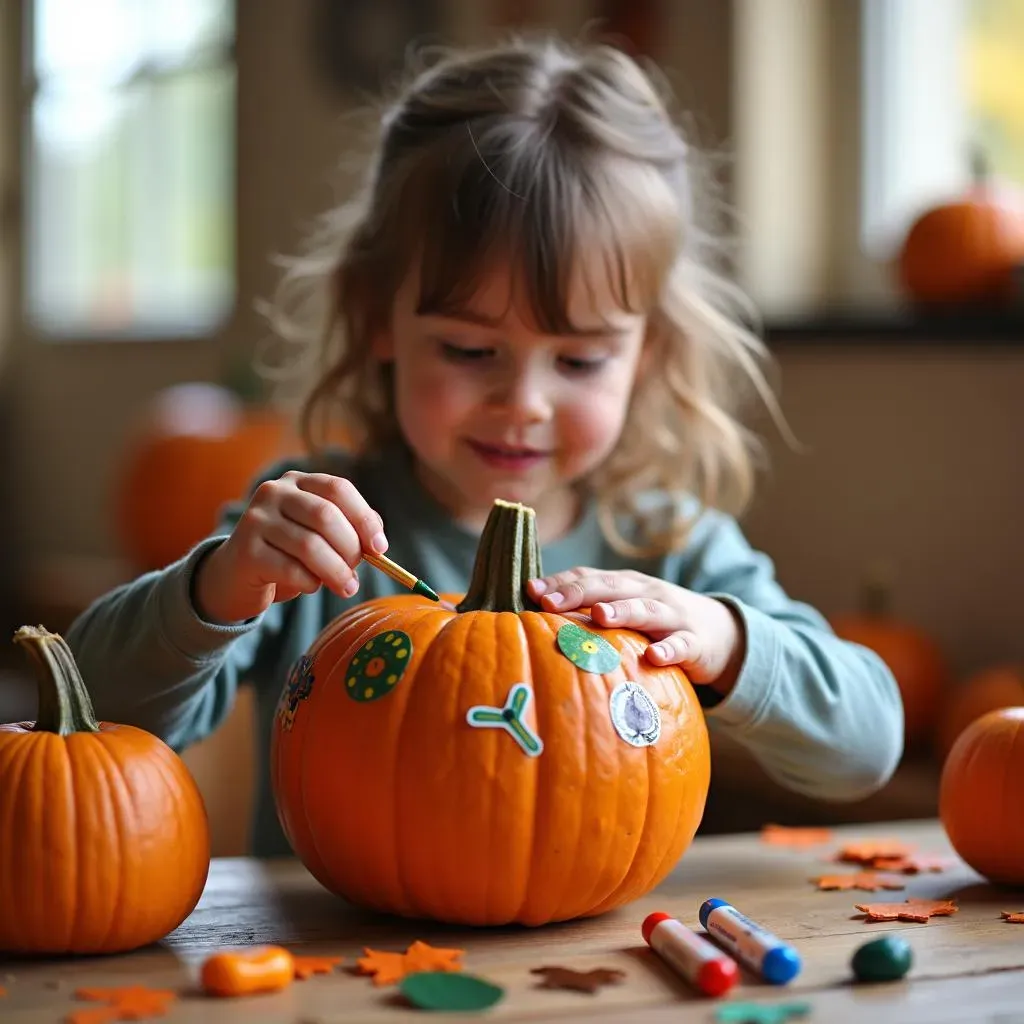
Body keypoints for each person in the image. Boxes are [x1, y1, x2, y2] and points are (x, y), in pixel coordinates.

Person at [67, 34, 903, 858]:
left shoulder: (668, 548)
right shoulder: (314, 539)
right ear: (376, 320)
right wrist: (218, 587)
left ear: (646, 354)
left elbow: (867, 748)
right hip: (329, 976)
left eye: (579, 359)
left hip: (598, 983)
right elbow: (89, 723)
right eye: (470, 351)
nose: (523, 403)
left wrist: (722, 638)